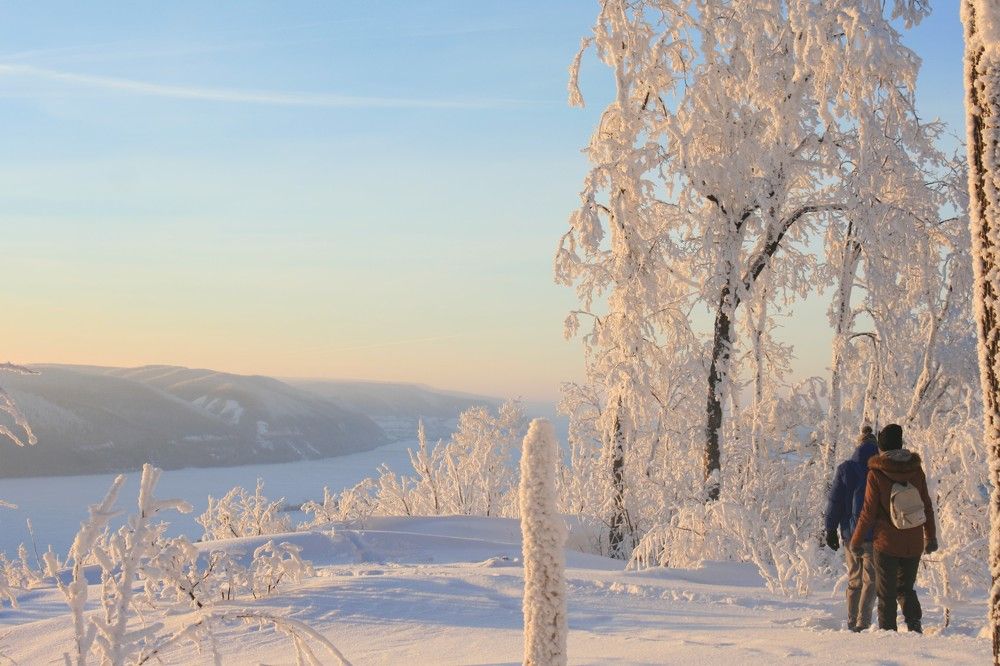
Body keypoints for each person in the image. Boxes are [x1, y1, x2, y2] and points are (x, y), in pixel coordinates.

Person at [850, 423, 937, 633]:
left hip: (886, 543)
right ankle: (915, 627)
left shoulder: (876, 473)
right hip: (913, 542)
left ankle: (889, 635)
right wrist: (931, 537)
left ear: (881, 446)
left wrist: (856, 541)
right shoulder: (916, 470)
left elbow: (868, 512)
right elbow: (926, 505)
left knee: (886, 593)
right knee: (906, 588)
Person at [824, 425, 879, 632]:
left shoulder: (845, 468)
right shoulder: (880, 468)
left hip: (850, 534)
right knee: (871, 580)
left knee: (854, 578)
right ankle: (863, 623)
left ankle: (851, 620)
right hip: (873, 535)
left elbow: (834, 502)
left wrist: (830, 529)